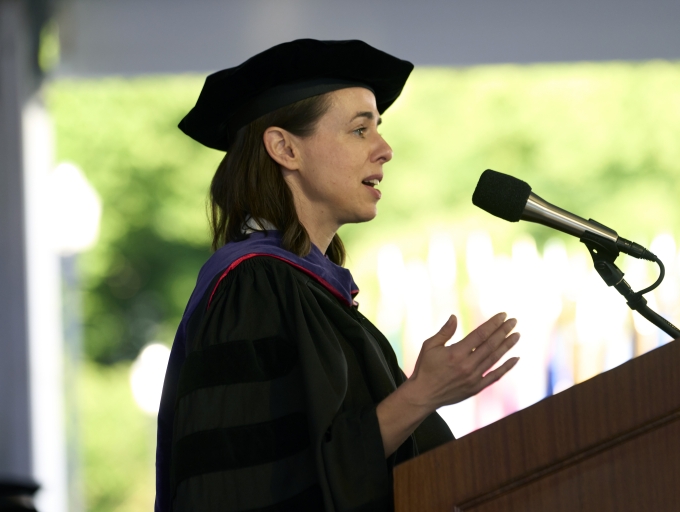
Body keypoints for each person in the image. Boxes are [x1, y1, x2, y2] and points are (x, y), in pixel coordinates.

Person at [155, 39, 521, 512]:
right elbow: (250, 487)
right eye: (359, 130)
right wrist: (420, 395)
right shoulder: (251, 287)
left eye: (378, 129)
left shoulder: (308, 289)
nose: (385, 150)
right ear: (285, 148)